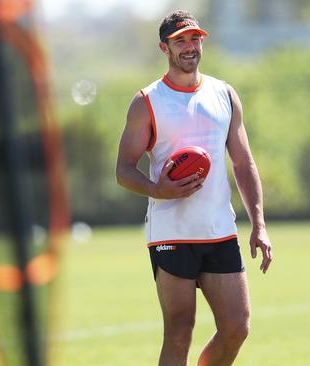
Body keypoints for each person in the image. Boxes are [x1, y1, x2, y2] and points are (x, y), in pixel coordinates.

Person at [116, 10, 273, 366]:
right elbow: (124, 170)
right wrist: (160, 190)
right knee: (179, 329)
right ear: (164, 48)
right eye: (180, 41)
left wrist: (259, 225)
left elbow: (243, 164)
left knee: (236, 327)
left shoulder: (225, 94)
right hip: (171, 231)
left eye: (194, 39)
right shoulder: (147, 101)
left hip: (218, 229)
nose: (189, 47)